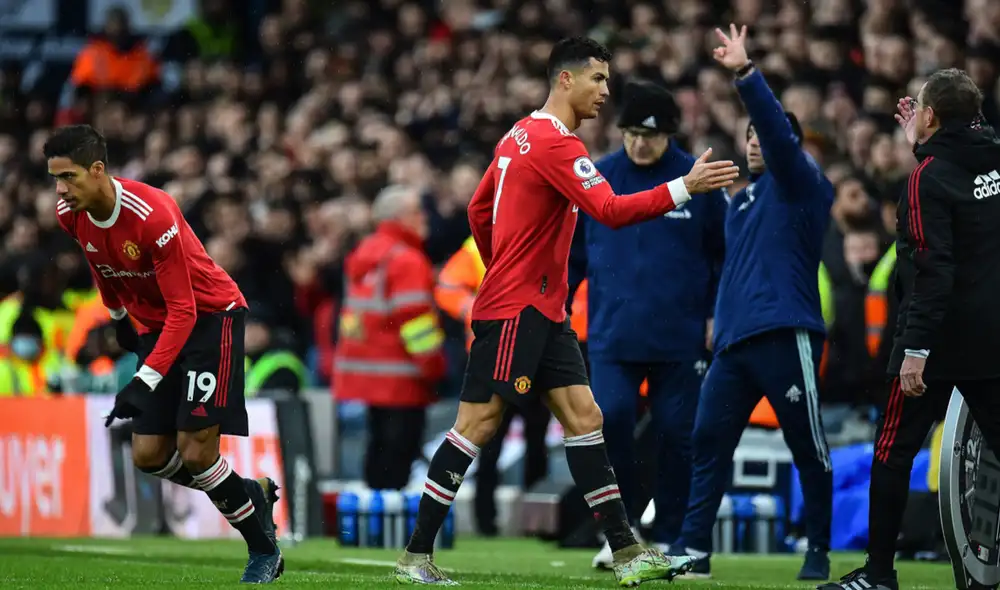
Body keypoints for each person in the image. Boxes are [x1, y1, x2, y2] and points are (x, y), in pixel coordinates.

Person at [392, 36, 740, 587]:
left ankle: (626, 552)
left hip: (541, 310)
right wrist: (684, 187)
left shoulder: (517, 134)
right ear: (566, 79)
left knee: (585, 418)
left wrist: (504, 263)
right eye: (598, 79)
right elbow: (610, 210)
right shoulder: (558, 143)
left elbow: (478, 209)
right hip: (518, 309)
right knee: (476, 425)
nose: (605, 90)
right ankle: (416, 555)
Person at [44, 124, 283, 584]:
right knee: (149, 455)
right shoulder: (70, 214)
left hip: (210, 319)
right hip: (158, 325)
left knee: (197, 452)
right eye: (55, 178)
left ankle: (263, 550)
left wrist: (144, 380)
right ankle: (248, 493)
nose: (60, 190)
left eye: (68, 177)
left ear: (97, 170)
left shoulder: (152, 214)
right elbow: (101, 262)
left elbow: (185, 310)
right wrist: (117, 316)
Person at [666, 25, 834, 581]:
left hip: (786, 332)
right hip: (734, 343)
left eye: (766, 133)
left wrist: (745, 74)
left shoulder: (802, 185)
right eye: (750, 135)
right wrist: (717, 318)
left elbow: (780, 139)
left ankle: (818, 549)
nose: (757, 141)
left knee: (807, 445)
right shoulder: (738, 204)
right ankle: (693, 548)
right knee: (707, 441)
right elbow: (729, 269)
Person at [822, 69, 1000, 590]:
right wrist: (923, 147)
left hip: (936, 343)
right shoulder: (992, 161)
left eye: (920, 106)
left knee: (892, 452)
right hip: (992, 342)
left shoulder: (927, 178)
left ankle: (878, 575)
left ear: (931, 116)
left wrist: (915, 348)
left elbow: (932, 269)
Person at [568, 79, 727, 568]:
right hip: (613, 334)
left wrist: (716, 313)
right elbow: (573, 256)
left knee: (678, 434)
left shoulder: (696, 179)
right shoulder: (599, 176)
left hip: (680, 337)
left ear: (670, 135)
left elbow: (724, 256)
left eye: (651, 136)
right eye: (632, 133)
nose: (639, 144)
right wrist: (557, 305)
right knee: (611, 421)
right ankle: (623, 530)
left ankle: (677, 536)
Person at [435, 235, 551, 536]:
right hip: (495, 356)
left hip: (532, 356)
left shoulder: (538, 236)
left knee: (533, 441)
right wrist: (477, 311)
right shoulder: (478, 245)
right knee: (490, 439)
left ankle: (533, 521)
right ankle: (488, 520)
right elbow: (447, 288)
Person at [334, 184, 447, 491]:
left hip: (368, 375)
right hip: (402, 378)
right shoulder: (407, 260)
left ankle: (375, 513)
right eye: (417, 211)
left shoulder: (365, 254)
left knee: (379, 451)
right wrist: (434, 368)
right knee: (398, 457)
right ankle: (388, 515)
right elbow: (416, 324)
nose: (424, 217)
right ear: (399, 217)